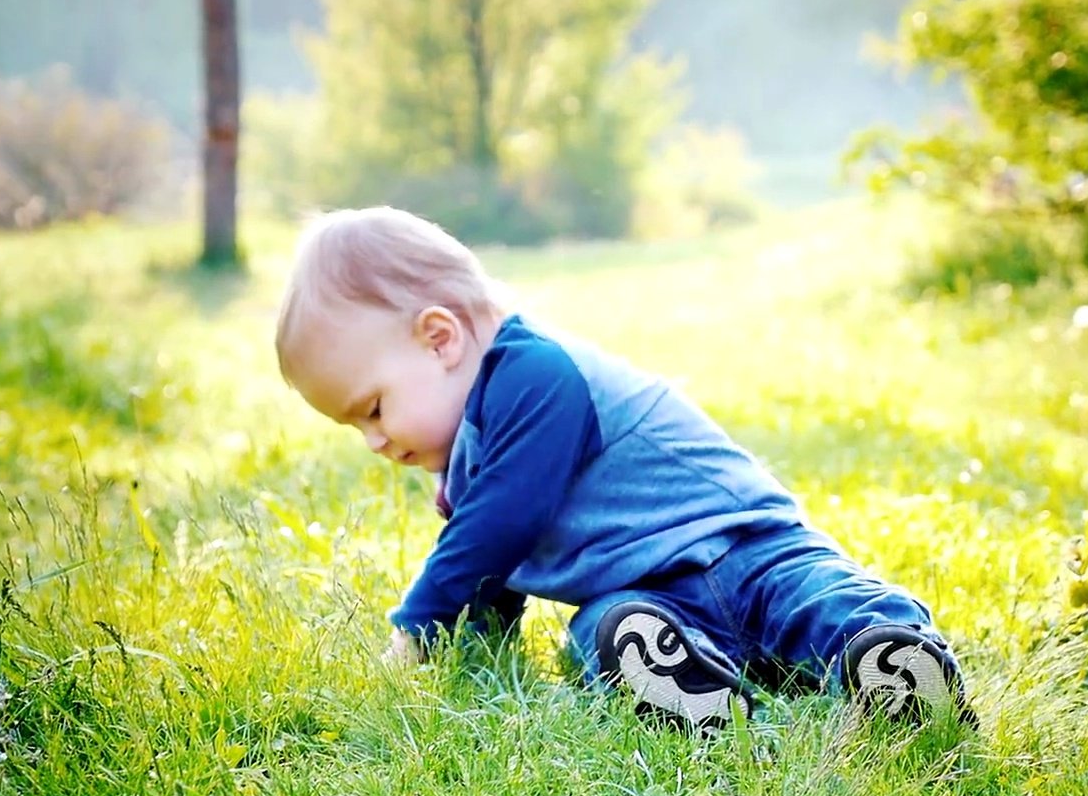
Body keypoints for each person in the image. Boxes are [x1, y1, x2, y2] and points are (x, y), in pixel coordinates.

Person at [273, 206, 972, 731]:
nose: (372, 441)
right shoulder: (474, 446)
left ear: (439, 338)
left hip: (745, 552)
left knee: (812, 599)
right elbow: (497, 572)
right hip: (652, 596)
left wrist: (419, 629)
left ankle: (889, 658)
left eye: (372, 409)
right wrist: (478, 648)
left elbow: (501, 527)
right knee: (604, 630)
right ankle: (691, 691)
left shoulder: (536, 374)